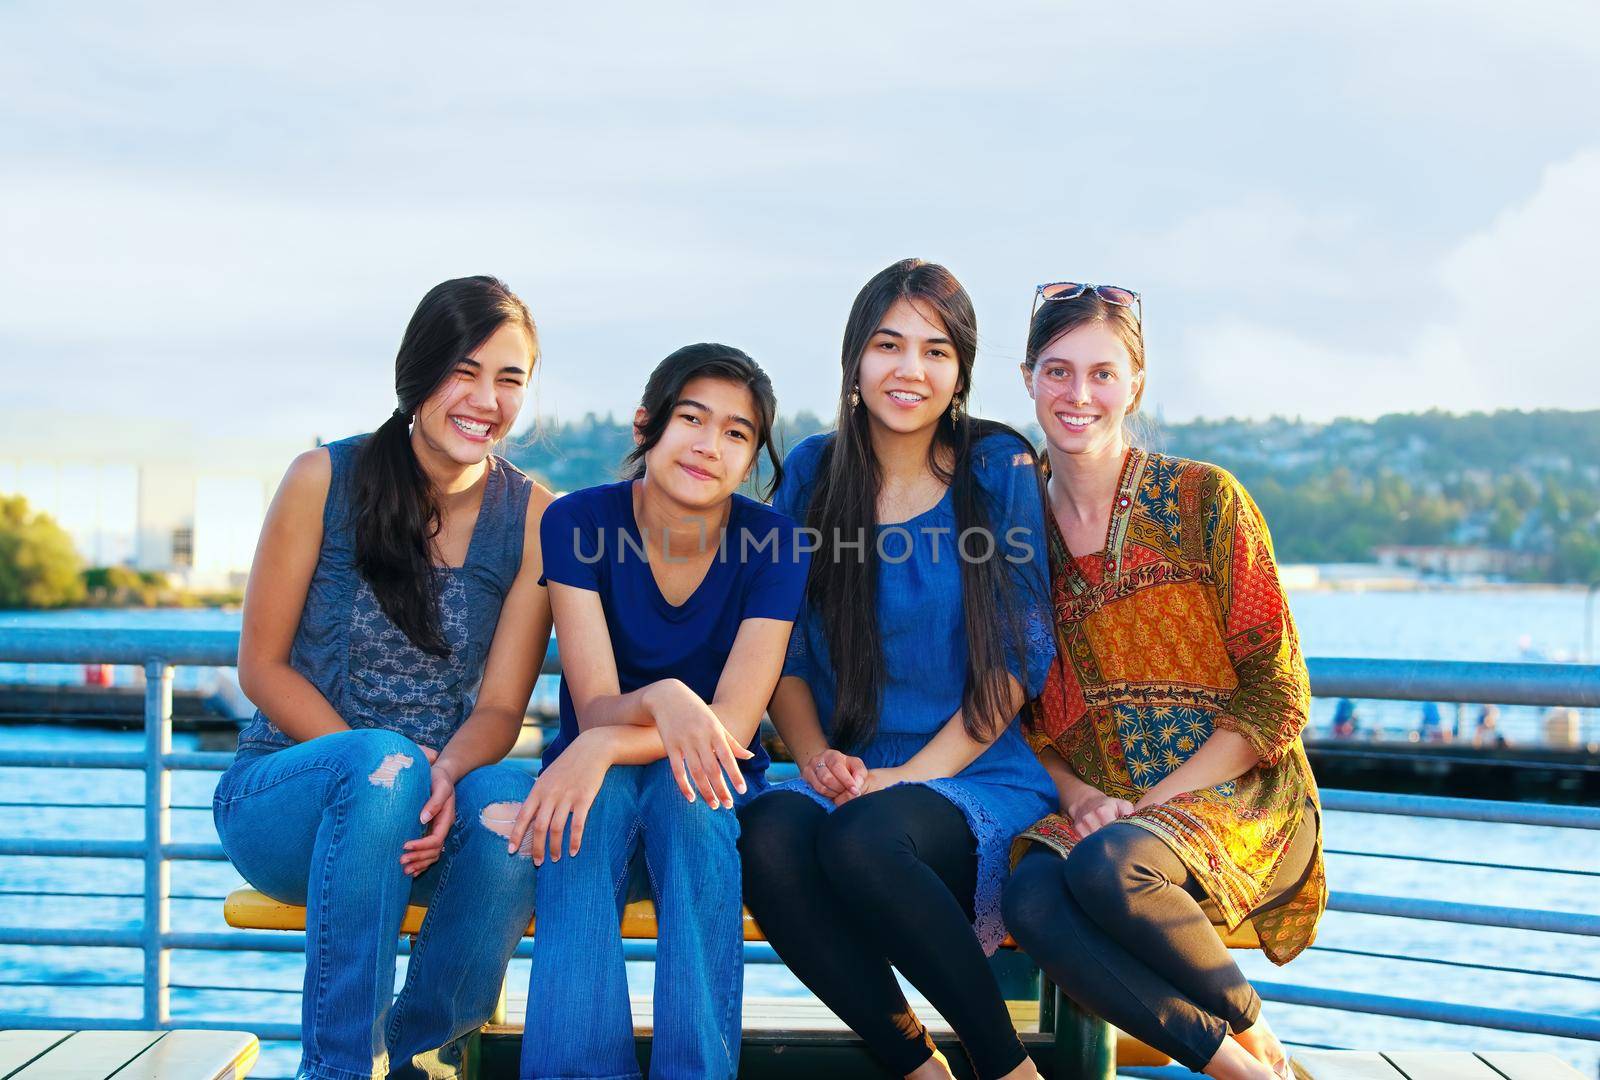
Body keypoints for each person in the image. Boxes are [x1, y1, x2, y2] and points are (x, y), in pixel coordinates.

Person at [216, 276, 553, 1079]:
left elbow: (504, 705)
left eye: (510, 379)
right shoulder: (320, 479)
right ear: (418, 374)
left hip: (432, 806)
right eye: (464, 371)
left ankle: (425, 1062)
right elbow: (260, 667)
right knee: (377, 770)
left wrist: (441, 780)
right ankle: (339, 1069)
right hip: (287, 796)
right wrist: (396, 779)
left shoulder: (539, 515)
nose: (485, 399)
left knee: (507, 812)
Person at [738, 259, 1057, 1080]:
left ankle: (1006, 1067)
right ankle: (916, 1067)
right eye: (888, 345)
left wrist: (909, 777)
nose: (909, 370)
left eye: (936, 350)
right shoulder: (813, 471)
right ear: (854, 360)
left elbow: (1019, 655)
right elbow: (785, 647)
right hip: (849, 776)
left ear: (960, 373)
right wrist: (813, 757)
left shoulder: (998, 468)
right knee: (768, 832)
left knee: (865, 839)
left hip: (973, 772)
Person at [999, 282, 1325, 1080]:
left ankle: (1255, 1035)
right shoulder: (1012, 532)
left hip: (1240, 798)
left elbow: (1279, 692)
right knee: (1030, 898)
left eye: (1103, 373)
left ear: (1136, 383)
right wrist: (1076, 794)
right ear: (1028, 377)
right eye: (1058, 371)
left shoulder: (1204, 499)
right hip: (1103, 803)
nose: (1079, 395)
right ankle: (1247, 1069)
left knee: (1110, 865)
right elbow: (1016, 712)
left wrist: (1160, 801)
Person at [507, 344, 810, 1080]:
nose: (711, 445)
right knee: (587, 811)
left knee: (695, 800)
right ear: (648, 423)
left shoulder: (776, 544)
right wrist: (664, 700)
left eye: (737, 433)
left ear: (752, 459)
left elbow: (730, 731)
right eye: (692, 418)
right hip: (598, 779)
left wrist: (602, 745)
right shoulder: (578, 521)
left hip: (698, 780)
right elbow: (598, 701)